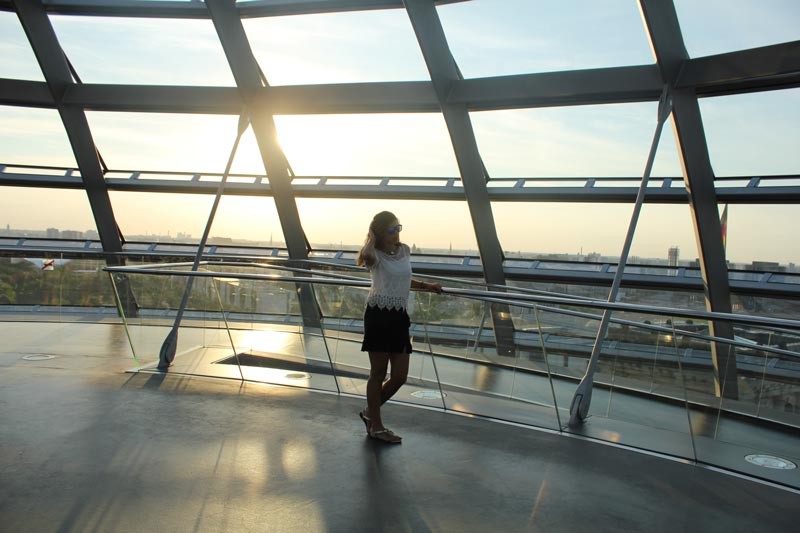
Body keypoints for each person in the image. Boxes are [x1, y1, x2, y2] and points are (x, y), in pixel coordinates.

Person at [356, 211, 442, 443]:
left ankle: (369, 413)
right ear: (380, 232)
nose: (396, 233)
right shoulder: (374, 255)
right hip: (378, 315)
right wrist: (371, 238)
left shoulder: (404, 250)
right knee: (378, 374)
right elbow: (366, 256)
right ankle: (376, 426)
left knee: (400, 376)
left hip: (399, 316)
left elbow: (403, 278)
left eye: (398, 227)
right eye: (391, 229)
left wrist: (426, 285)